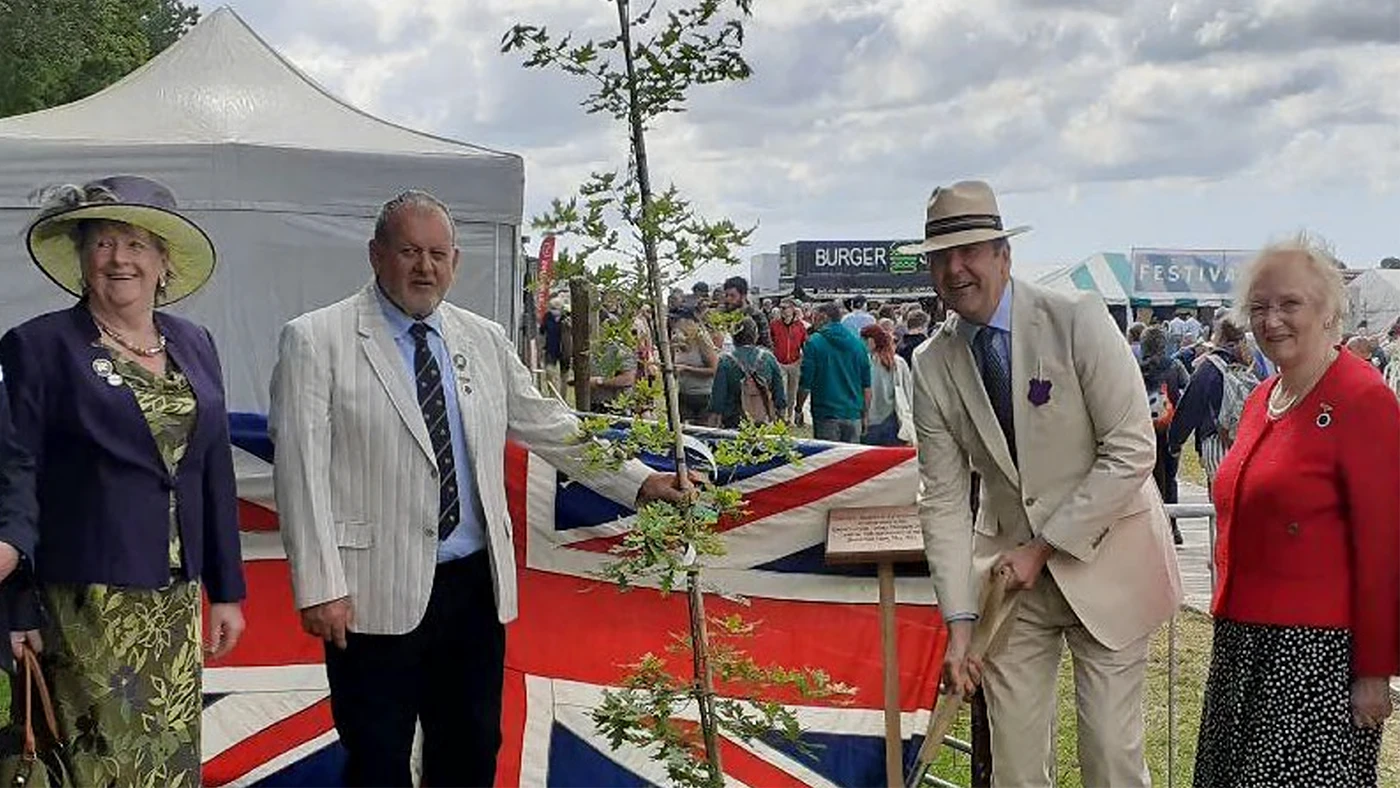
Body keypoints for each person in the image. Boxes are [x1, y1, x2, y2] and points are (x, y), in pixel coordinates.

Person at [270, 190, 691, 787]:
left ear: (455, 262)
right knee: (378, 758)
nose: (425, 267)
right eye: (409, 252)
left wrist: (640, 480)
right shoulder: (317, 340)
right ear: (376, 255)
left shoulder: (484, 339)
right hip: (369, 591)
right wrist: (319, 586)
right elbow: (300, 472)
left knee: (470, 750)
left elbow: (550, 424)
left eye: (438, 254)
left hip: (474, 588)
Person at [903, 180, 1181, 788]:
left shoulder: (1077, 319)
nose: (955, 269)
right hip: (1011, 589)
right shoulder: (930, 364)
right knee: (1015, 767)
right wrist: (960, 624)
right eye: (941, 257)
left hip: (1111, 564)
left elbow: (1133, 447)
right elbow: (943, 499)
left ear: (1004, 255)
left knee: (1109, 757)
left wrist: (1044, 546)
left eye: (970, 251)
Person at [0, 176, 246, 784]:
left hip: (175, 599)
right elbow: (15, 477)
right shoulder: (39, 346)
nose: (119, 258)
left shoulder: (195, 342)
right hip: (85, 603)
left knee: (169, 762)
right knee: (99, 766)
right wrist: (17, 607)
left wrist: (227, 590)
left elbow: (212, 468)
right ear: (82, 258)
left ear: (163, 262)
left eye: (136, 244)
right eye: (103, 242)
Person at [1194, 236, 1399, 786]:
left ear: (1328, 310)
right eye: (1259, 306)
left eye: (1290, 304)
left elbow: (1383, 549)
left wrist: (1374, 671)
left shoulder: (1363, 398)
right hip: (1242, 643)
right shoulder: (1262, 397)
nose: (1272, 320)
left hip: (1316, 659)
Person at [1166, 315, 1258, 488]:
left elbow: (1190, 407)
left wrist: (1175, 442)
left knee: (1222, 495)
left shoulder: (1210, 367)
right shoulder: (1252, 363)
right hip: (1249, 440)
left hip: (1217, 439)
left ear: (1219, 336)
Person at [1138, 325, 1190, 544]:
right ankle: (1173, 527)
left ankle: (1151, 528)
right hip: (1170, 430)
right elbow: (1188, 390)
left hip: (1144, 432)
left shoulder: (1136, 368)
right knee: (1170, 478)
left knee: (1147, 480)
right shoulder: (1175, 366)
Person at [796, 302, 872, 441]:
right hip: (853, 413)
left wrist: (799, 408)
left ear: (824, 317)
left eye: (815, 317)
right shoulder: (858, 345)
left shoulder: (814, 342)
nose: (813, 321)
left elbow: (805, 382)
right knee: (851, 454)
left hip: (825, 413)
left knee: (828, 454)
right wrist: (865, 415)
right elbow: (866, 385)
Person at [708, 317, 785, 428]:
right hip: (763, 421)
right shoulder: (769, 358)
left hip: (734, 422)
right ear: (755, 336)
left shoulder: (725, 361)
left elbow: (717, 400)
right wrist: (780, 420)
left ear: (734, 338)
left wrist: (713, 425)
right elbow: (780, 395)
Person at [859, 324, 913, 446]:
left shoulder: (865, 362)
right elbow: (908, 392)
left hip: (869, 419)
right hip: (893, 419)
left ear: (870, 341)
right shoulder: (898, 363)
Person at [671, 308, 718, 424]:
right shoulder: (677, 341)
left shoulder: (702, 341)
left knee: (702, 430)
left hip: (703, 395)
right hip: (684, 393)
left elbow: (714, 369)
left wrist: (686, 369)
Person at [769, 297, 807, 422]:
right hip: (779, 362)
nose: (782, 310)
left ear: (792, 309)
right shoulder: (774, 325)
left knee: (792, 392)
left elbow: (804, 343)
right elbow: (770, 341)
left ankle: (789, 416)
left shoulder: (799, 326)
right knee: (782, 391)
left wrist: (804, 359)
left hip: (795, 362)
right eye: (780, 308)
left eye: (784, 308)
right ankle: (781, 416)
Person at [721, 276, 773, 348]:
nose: (728, 299)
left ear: (743, 296)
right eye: (726, 295)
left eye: (732, 296)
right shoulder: (723, 315)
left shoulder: (757, 315)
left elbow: (766, 344)